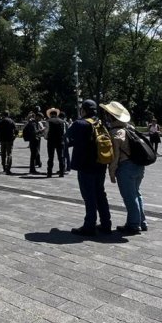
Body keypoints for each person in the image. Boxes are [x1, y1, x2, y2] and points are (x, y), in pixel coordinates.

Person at [100, 101, 147, 234]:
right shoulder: (130, 128)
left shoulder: (115, 133)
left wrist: (112, 173)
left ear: (111, 117)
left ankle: (133, 224)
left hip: (126, 167)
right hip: (139, 166)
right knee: (137, 194)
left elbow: (115, 157)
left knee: (129, 197)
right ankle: (141, 222)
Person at [68, 99, 112, 237]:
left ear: (84, 110)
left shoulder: (80, 124)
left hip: (86, 166)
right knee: (100, 194)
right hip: (101, 164)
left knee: (89, 196)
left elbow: (67, 137)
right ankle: (106, 224)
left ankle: (89, 226)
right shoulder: (101, 123)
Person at [44, 108, 66, 177]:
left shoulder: (48, 121)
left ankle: (49, 172)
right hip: (60, 141)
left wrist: (46, 137)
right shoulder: (62, 122)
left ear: (50, 115)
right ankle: (61, 172)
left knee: (50, 157)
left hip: (51, 141)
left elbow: (46, 131)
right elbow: (64, 132)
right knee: (61, 157)